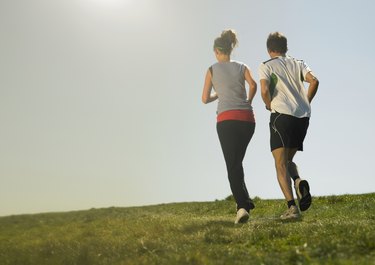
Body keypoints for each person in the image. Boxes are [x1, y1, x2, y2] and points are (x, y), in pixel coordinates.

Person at [258, 32, 319, 220]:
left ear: (269, 50)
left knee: (279, 164)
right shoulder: (299, 63)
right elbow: (314, 81)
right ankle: (299, 182)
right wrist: (306, 101)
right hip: (302, 118)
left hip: (281, 116)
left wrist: (268, 104)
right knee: (288, 160)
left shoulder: (266, 65)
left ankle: (292, 209)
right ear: (285, 48)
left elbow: (265, 89)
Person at [202, 29, 257, 224]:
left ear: (217, 50)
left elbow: (204, 99)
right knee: (236, 162)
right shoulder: (242, 66)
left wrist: (219, 93)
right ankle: (245, 201)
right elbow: (253, 84)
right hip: (247, 120)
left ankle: (242, 207)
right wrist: (248, 101)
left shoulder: (212, 69)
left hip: (226, 120)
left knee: (232, 165)